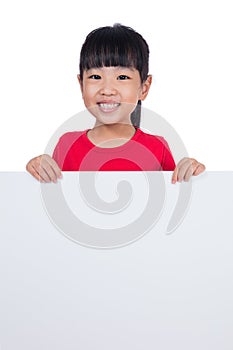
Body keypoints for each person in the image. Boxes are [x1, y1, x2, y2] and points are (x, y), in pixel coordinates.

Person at [26, 24, 205, 183]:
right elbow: (48, 200)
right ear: (81, 85)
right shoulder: (66, 145)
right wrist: (36, 168)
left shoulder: (158, 148)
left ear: (144, 87)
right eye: (95, 77)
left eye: (122, 77)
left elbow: (175, 201)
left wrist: (191, 172)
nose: (108, 89)